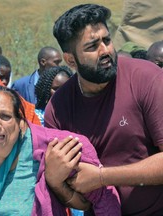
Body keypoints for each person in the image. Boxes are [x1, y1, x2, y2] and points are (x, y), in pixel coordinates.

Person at [44, 3, 163, 215]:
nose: (105, 50)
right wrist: (55, 181)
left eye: (107, 40)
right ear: (71, 60)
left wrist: (102, 177)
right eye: (92, 46)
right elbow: (77, 195)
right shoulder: (59, 108)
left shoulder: (146, 78)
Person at [0, 85, 120, 216]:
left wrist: (55, 182)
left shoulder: (54, 150)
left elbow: (97, 198)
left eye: (5, 116)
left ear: (21, 123)